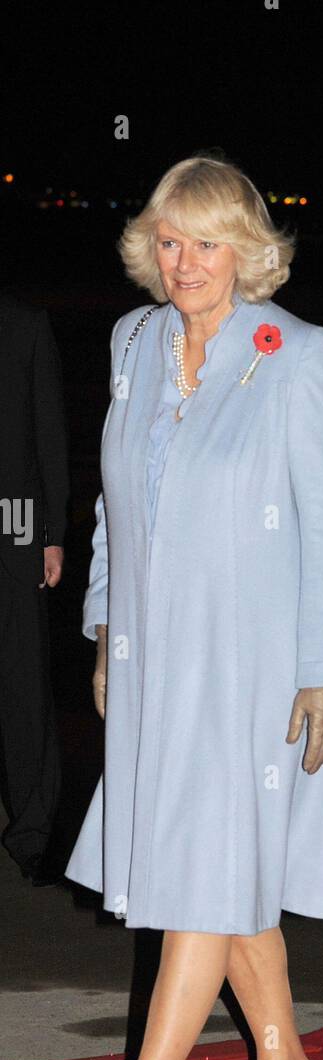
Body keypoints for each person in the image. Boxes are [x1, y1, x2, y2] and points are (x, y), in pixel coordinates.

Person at [53, 156, 323, 1060]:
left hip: (251, 659)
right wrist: (104, 626)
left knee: (198, 873)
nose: (187, 262)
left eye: (209, 241)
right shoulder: (133, 341)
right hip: (153, 650)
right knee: (217, 866)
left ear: (249, 248)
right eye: (171, 241)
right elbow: (111, 500)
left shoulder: (295, 353)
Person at [0, 294, 69, 885]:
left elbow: (49, 429)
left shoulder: (25, 323)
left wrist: (51, 535)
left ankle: (32, 831)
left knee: (21, 683)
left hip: (13, 532)